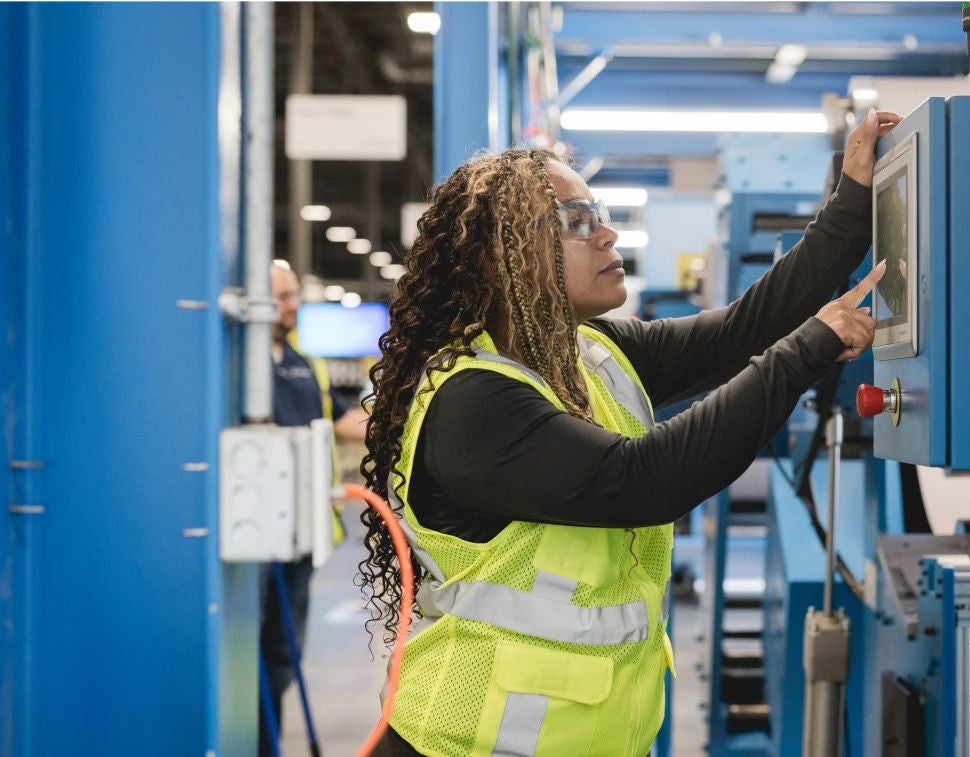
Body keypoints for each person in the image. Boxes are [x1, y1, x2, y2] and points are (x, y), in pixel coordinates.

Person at [359, 108, 901, 757]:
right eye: (578, 223)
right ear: (501, 259)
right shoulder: (471, 403)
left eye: (601, 214)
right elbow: (645, 479)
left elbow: (739, 331)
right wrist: (809, 346)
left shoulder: (593, 353)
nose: (610, 235)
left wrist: (853, 201)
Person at [261, 261, 370, 753]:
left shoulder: (308, 362)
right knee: (249, 652)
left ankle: (267, 740)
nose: (292, 305)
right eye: (282, 296)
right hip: (257, 536)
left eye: (293, 295)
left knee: (285, 652)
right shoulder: (238, 363)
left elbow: (346, 420)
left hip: (304, 535)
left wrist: (417, 421)